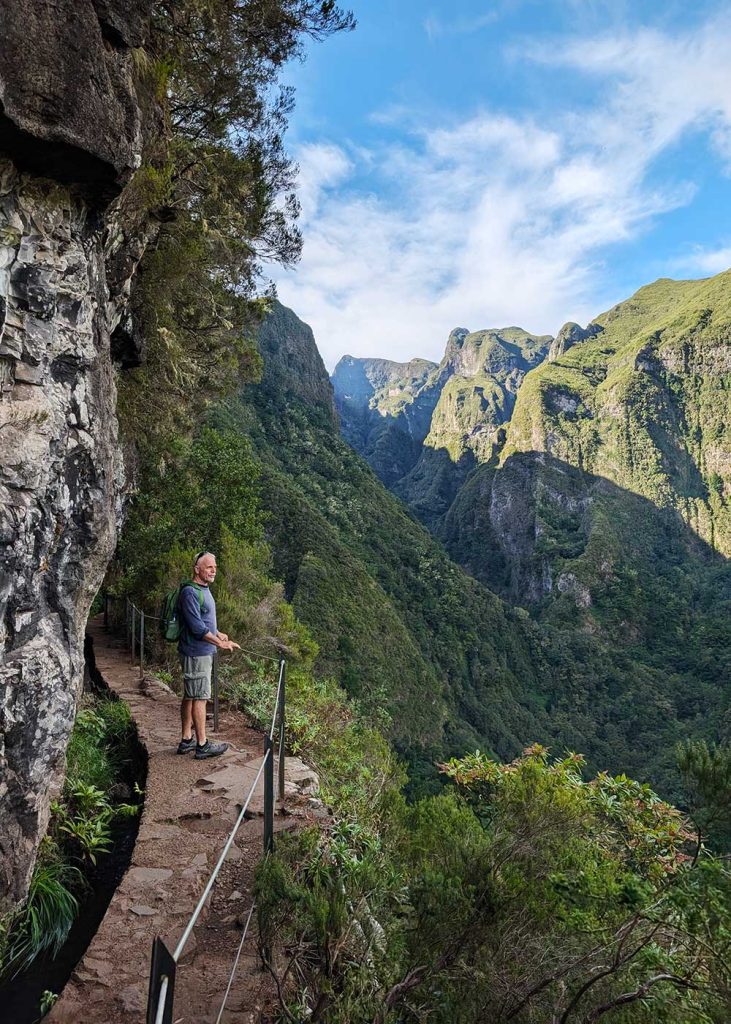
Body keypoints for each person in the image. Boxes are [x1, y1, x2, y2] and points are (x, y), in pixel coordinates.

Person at [177, 551, 240, 759]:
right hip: (196, 653)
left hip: (200, 651)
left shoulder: (203, 589)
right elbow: (196, 627)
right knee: (200, 697)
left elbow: (205, 619)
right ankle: (202, 745)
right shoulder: (190, 592)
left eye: (215, 566)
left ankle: (187, 739)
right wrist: (220, 642)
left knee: (191, 694)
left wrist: (218, 632)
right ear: (197, 569)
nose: (214, 570)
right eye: (209, 567)